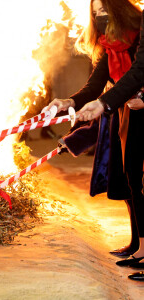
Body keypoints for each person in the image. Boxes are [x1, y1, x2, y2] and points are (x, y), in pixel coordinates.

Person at [45, 0, 144, 280]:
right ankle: (139, 245)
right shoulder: (108, 46)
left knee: (140, 182)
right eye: (95, 12)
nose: (99, 16)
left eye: (103, 9)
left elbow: (139, 73)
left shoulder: (140, 33)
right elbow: (94, 86)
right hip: (127, 114)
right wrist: (67, 102)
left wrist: (138, 100)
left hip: (138, 111)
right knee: (131, 179)